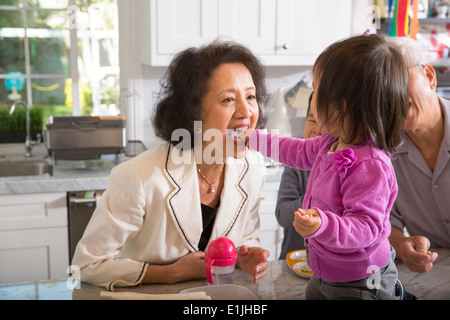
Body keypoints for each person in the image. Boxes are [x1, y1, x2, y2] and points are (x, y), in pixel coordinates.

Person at [72, 40, 270, 290]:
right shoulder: (140, 176)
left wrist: (244, 256)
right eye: (228, 99)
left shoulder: (253, 166)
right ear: (193, 112)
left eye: (251, 96)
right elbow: (86, 265)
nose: (246, 111)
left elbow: (246, 235)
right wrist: (170, 273)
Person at [248, 34, 410, 299]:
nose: (312, 98)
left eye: (317, 88)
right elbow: (297, 151)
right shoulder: (332, 141)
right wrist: (255, 139)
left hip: (361, 281)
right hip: (326, 273)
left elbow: (366, 227)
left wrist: (323, 224)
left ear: (342, 105)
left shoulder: (370, 165)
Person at [387, 37, 449, 273]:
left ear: (430, 77)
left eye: (399, 79)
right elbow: (385, 222)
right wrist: (403, 246)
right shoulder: (384, 153)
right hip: (433, 274)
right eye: (383, 87)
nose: (392, 94)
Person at [275, 94, 323, 259]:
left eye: (325, 123)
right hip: (295, 260)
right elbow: (282, 215)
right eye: (312, 119)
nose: (317, 129)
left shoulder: (348, 168)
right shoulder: (296, 162)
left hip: (333, 267)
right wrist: (319, 196)